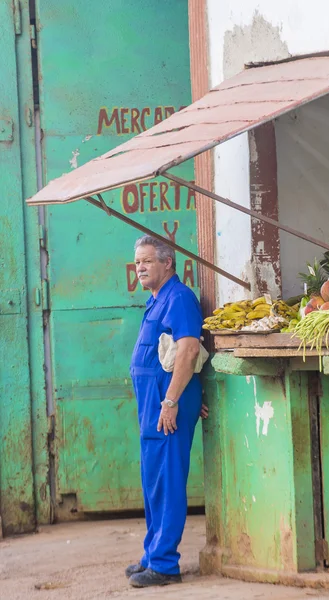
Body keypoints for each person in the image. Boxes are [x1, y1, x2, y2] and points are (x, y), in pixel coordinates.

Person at [126, 235, 208, 588]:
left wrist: (173, 401)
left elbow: (189, 350)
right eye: (137, 262)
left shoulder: (179, 298)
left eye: (147, 261)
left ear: (167, 263)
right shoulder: (155, 300)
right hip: (154, 407)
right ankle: (151, 554)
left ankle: (164, 564)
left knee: (168, 481)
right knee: (153, 483)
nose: (140, 267)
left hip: (166, 406)